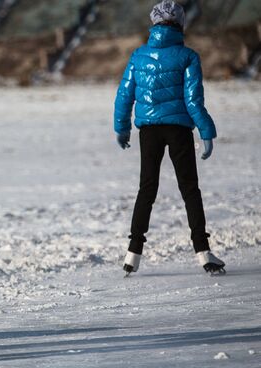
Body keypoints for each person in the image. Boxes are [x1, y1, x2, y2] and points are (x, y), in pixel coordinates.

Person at [114, 0, 225, 276]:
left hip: (149, 130)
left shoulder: (138, 55)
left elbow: (124, 94)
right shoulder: (188, 56)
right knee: (189, 189)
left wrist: (122, 127)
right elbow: (193, 101)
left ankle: (133, 253)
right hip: (178, 129)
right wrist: (206, 131)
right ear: (180, 24)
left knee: (146, 189)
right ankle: (203, 252)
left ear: (154, 24)